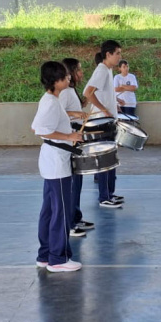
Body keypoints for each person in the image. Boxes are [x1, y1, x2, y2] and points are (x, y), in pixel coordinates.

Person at [32, 60, 84, 273]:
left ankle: (45, 255)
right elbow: (41, 130)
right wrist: (70, 135)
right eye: (65, 76)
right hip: (56, 163)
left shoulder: (50, 99)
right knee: (60, 212)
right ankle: (57, 258)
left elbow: (37, 125)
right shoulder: (52, 102)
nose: (69, 78)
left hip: (52, 161)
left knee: (49, 210)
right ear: (56, 81)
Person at [84, 40, 124, 208]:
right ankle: (104, 197)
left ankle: (110, 193)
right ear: (108, 54)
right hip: (101, 122)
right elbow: (87, 92)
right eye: (118, 53)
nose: (120, 57)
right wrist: (104, 110)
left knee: (111, 158)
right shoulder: (101, 70)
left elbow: (104, 94)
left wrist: (114, 104)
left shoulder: (108, 71)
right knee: (105, 160)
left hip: (108, 120)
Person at [60, 57, 95, 237]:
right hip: (70, 139)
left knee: (78, 180)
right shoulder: (64, 92)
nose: (82, 73)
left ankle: (76, 215)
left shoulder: (71, 90)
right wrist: (75, 113)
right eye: (79, 70)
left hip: (76, 137)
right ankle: (70, 223)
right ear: (71, 73)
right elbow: (57, 112)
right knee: (73, 183)